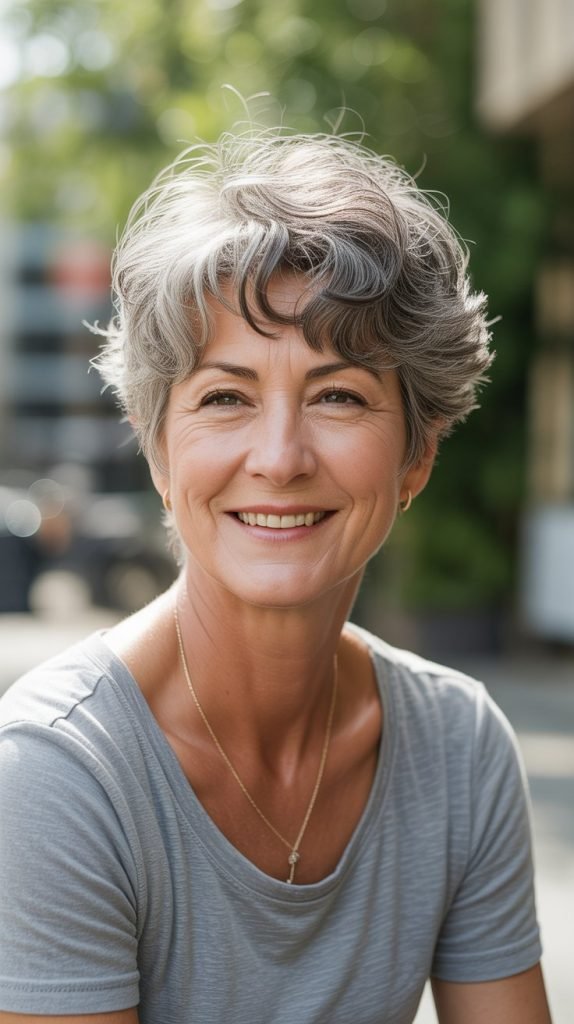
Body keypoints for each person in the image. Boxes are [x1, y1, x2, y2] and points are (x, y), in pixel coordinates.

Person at [0, 124, 552, 1024]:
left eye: (338, 394)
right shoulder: (57, 773)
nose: (281, 456)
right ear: (158, 455)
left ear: (417, 457)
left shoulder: (458, 748)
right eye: (226, 397)